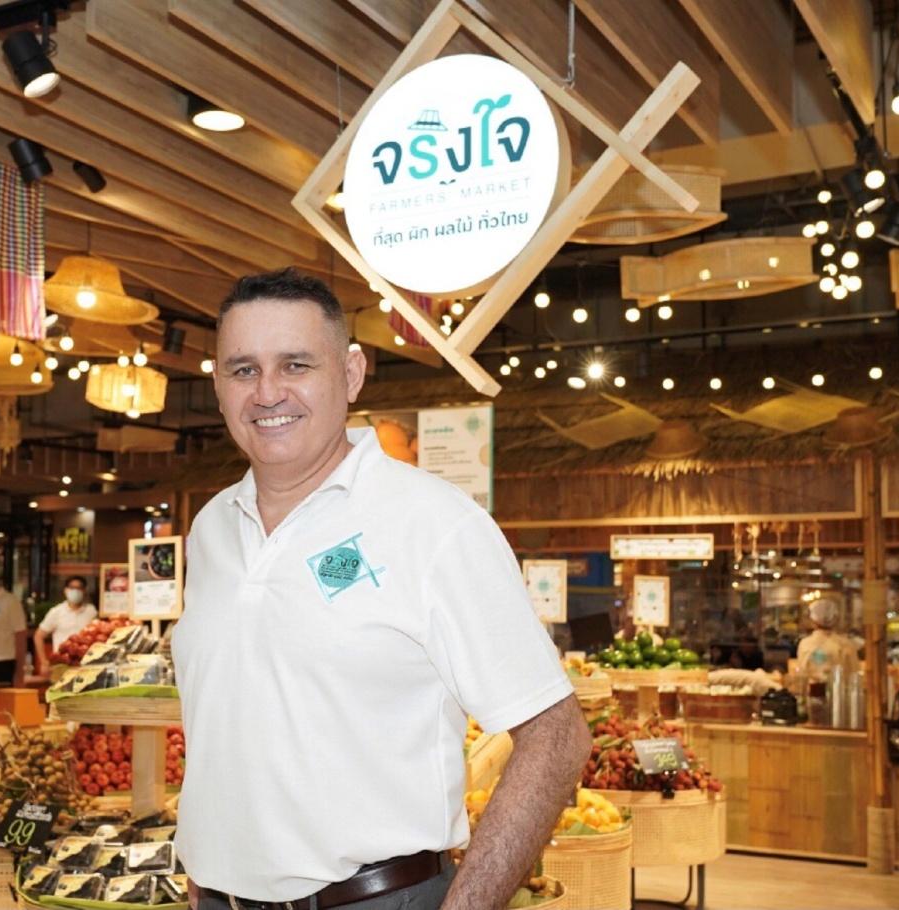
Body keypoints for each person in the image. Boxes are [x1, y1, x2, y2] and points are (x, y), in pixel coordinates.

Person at [172, 269, 590, 910]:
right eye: (243, 370)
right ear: (219, 388)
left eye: (295, 364)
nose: (268, 392)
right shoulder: (211, 530)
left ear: (351, 374)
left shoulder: (435, 524)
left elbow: (556, 736)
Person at [34, 575, 98, 674]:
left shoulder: (91, 611)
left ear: (84, 590)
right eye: (72, 588)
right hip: (61, 664)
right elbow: (39, 636)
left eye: (79, 588)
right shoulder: (56, 612)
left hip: (85, 665)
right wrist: (43, 662)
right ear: (65, 590)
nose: (75, 591)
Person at [796, 597, 859, 682]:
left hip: (811, 689)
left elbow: (801, 676)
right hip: (838, 689)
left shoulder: (804, 644)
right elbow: (854, 677)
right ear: (836, 619)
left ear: (812, 620)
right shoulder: (846, 645)